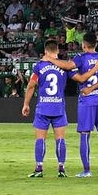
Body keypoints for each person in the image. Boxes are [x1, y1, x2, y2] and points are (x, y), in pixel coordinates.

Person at [53, 31, 98, 177]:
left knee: (84, 136)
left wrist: (51, 60)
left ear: (83, 45)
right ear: (96, 44)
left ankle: (87, 170)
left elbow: (69, 66)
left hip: (86, 101)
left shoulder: (80, 58)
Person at [21, 39, 72, 178]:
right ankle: (61, 168)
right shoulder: (64, 66)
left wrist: (26, 104)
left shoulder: (39, 67)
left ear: (45, 51)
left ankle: (39, 168)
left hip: (43, 107)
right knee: (60, 139)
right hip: (59, 107)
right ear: (57, 51)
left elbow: (31, 85)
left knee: (40, 139)